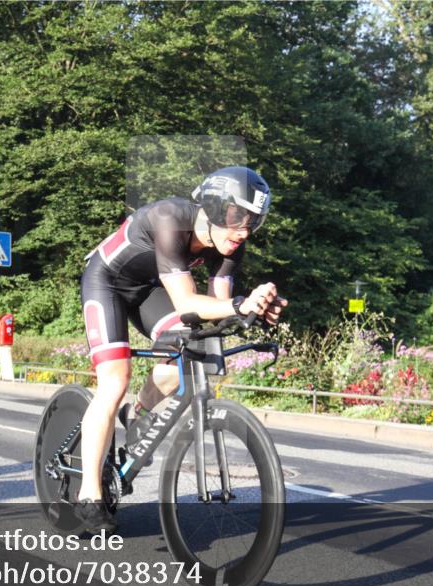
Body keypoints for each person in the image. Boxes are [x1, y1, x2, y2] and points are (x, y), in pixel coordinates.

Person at [76, 166, 287, 533]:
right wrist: (241, 303)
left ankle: (138, 412)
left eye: (254, 221)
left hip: (149, 291)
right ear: (214, 208)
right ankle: (90, 493)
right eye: (238, 217)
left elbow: (214, 312)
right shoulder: (170, 219)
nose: (244, 230)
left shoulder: (231, 243)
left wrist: (254, 309)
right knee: (115, 380)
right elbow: (189, 301)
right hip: (107, 283)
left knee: (189, 348)